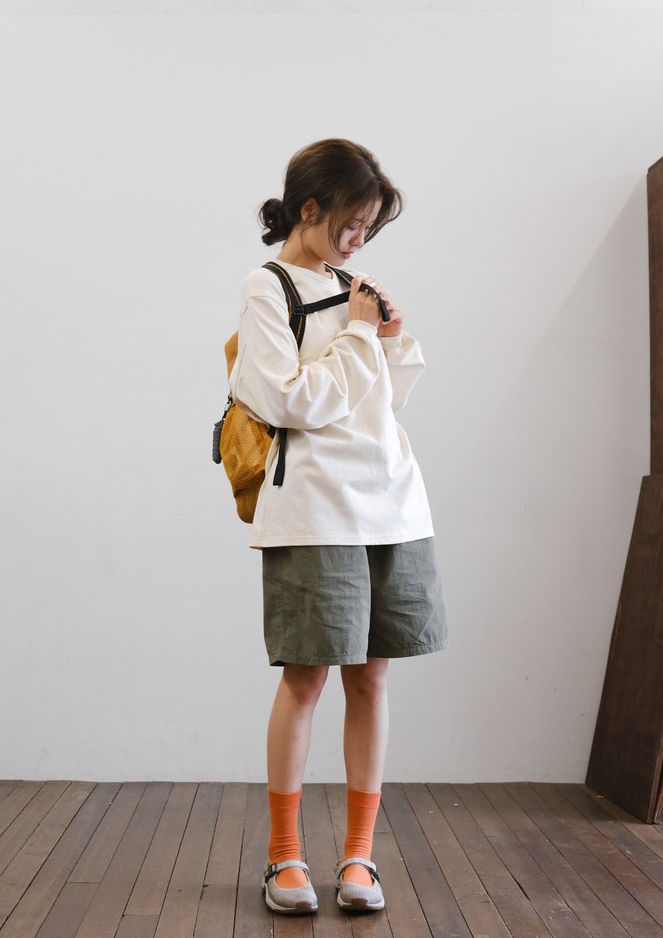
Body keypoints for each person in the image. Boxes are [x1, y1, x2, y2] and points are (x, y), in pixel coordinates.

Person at [229, 138, 448, 915]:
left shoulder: (353, 287)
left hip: (394, 503)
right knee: (306, 678)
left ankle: (360, 857)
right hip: (316, 510)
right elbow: (289, 402)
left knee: (372, 678)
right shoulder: (268, 287)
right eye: (350, 224)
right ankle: (284, 857)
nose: (358, 241)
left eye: (369, 228)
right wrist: (357, 337)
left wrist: (389, 340)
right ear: (309, 207)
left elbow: (381, 404)